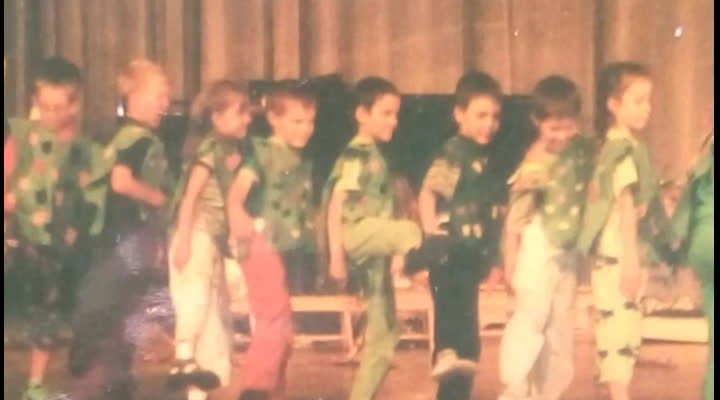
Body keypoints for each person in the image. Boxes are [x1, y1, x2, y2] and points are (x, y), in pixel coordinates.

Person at [68, 59, 173, 400]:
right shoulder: (137, 139)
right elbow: (121, 181)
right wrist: (158, 197)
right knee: (123, 307)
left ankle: (113, 380)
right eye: (160, 95)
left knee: (121, 311)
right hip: (129, 234)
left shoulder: (115, 137)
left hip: (112, 238)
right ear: (136, 95)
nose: (165, 103)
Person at [4, 57, 100, 400]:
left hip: (59, 246)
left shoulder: (82, 148)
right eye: (45, 107)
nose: (52, 115)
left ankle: (39, 380)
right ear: (34, 103)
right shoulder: (24, 141)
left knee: (51, 310)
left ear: (76, 104)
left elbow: (89, 193)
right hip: (22, 239)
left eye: (59, 107)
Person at [324, 77, 422, 400]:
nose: (393, 121)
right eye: (386, 113)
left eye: (396, 114)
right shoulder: (357, 154)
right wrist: (336, 258)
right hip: (357, 232)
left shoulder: (377, 155)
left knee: (385, 334)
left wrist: (395, 254)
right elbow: (336, 206)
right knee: (411, 230)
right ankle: (429, 251)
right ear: (362, 114)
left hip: (376, 245)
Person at [498, 76, 594, 400]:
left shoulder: (582, 149)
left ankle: (548, 392)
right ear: (536, 121)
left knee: (560, 326)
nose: (562, 136)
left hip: (567, 251)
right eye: (554, 128)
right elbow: (516, 217)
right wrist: (510, 262)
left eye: (568, 127)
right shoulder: (535, 163)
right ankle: (516, 387)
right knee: (531, 316)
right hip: (538, 245)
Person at [415, 71, 505, 400]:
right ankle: (445, 355)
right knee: (453, 325)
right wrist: (433, 239)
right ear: (459, 114)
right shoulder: (454, 152)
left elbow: (490, 212)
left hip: (470, 254)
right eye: (481, 115)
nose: (489, 124)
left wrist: (494, 260)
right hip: (450, 250)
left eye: (494, 116)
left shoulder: (483, 157)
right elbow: (428, 194)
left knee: (467, 342)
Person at [227, 81, 317, 400]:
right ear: (274, 119)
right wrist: (238, 215)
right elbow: (237, 194)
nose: (306, 128)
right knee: (273, 317)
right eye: (297, 121)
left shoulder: (296, 159)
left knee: (283, 329)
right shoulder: (263, 154)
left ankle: (271, 390)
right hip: (261, 241)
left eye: (310, 121)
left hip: (281, 246)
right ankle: (254, 391)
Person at [576, 62, 659, 400]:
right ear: (613, 104)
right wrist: (632, 261)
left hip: (611, 251)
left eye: (648, 100)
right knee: (620, 327)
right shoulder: (622, 151)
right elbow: (625, 208)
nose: (646, 108)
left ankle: (609, 391)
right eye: (638, 101)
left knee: (612, 322)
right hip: (619, 251)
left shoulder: (615, 147)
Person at [167, 80, 252, 400]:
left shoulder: (231, 150)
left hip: (214, 239)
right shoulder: (210, 150)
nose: (247, 118)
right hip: (197, 233)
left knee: (215, 319)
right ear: (217, 118)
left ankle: (197, 387)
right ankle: (183, 355)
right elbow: (191, 197)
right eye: (240, 112)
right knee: (197, 298)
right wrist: (184, 240)